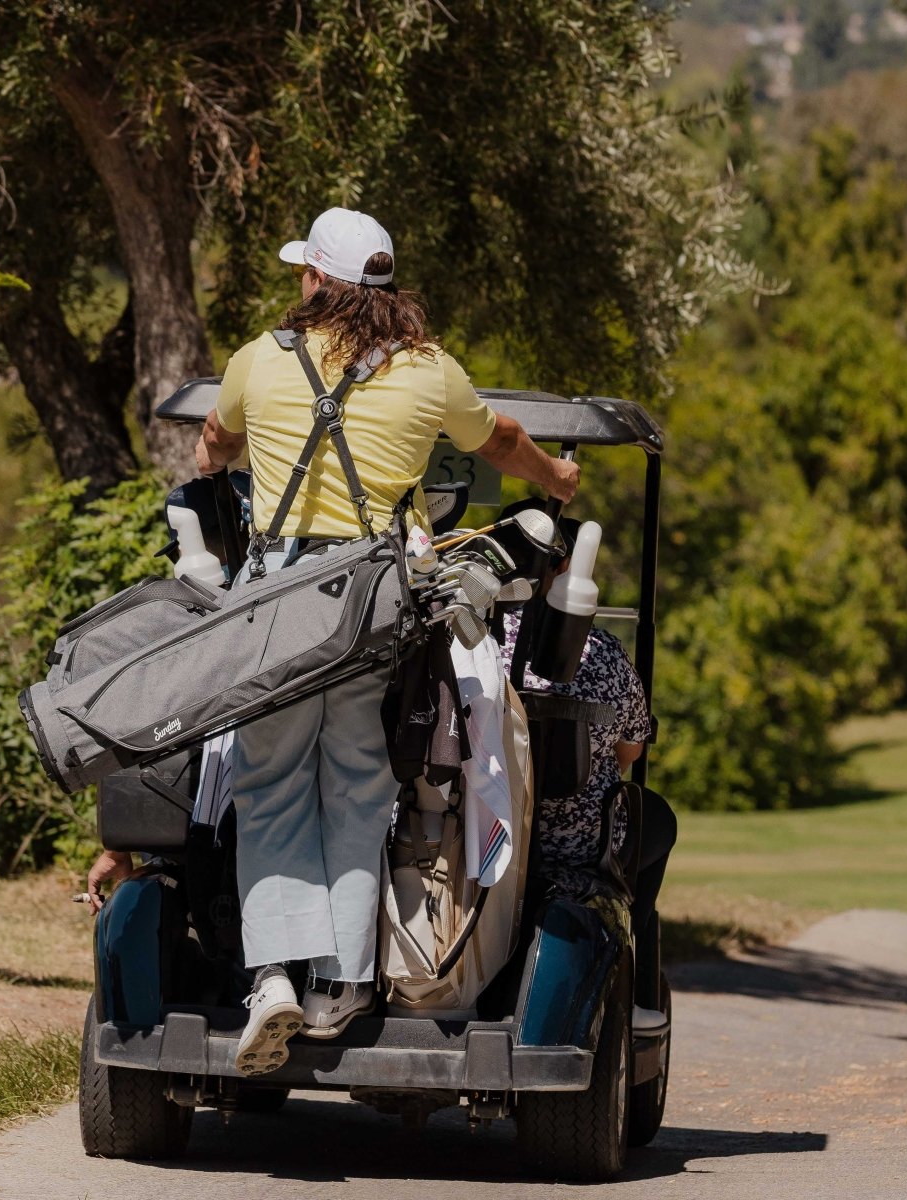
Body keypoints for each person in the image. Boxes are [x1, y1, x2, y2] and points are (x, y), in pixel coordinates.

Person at [191, 208, 578, 1076]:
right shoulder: (428, 369)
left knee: (271, 779)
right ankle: (341, 982)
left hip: (278, 600)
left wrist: (213, 463)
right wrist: (556, 476)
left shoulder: (259, 359)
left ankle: (273, 977)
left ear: (317, 280)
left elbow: (217, 438)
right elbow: (502, 441)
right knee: (359, 783)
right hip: (371, 598)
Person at [497, 502, 676, 1024]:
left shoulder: (465, 639)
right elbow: (630, 751)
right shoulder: (602, 653)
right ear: (563, 568)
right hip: (574, 846)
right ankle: (636, 986)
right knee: (656, 818)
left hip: (481, 835)